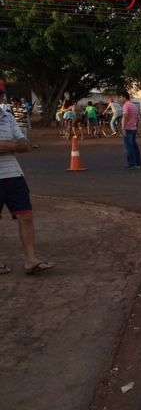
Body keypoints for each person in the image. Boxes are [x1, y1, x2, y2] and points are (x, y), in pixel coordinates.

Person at [0, 79, 54, 275]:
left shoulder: (7, 117)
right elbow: (19, 144)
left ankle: (31, 260)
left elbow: (25, 144)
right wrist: (13, 145)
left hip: (13, 174)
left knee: (26, 216)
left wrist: (10, 145)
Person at [120, 91, 141, 169]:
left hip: (128, 128)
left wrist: (123, 128)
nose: (120, 99)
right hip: (134, 128)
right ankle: (138, 163)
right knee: (134, 146)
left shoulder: (126, 105)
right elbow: (139, 119)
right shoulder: (134, 105)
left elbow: (125, 117)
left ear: (124, 97)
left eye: (121, 97)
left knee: (128, 147)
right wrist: (139, 129)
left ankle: (132, 164)